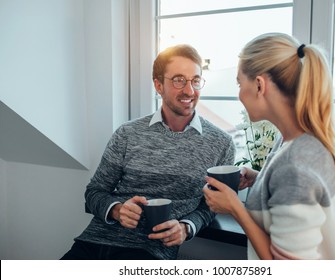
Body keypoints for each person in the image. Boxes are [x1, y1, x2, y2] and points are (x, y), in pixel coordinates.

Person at [61, 44, 236, 260]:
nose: (190, 91)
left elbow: (211, 206)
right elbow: (94, 192)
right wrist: (117, 210)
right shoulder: (127, 133)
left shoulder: (221, 143)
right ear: (158, 85)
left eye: (195, 80)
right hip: (92, 244)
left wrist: (187, 227)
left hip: (148, 252)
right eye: (179, 80)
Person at [203, 33, 335, 260]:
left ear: (259, 85)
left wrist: (235, 209)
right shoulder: (292, 142)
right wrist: (259, 178)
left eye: (240, 83)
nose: (239, 93)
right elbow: (291, 195)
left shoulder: (295, 165)